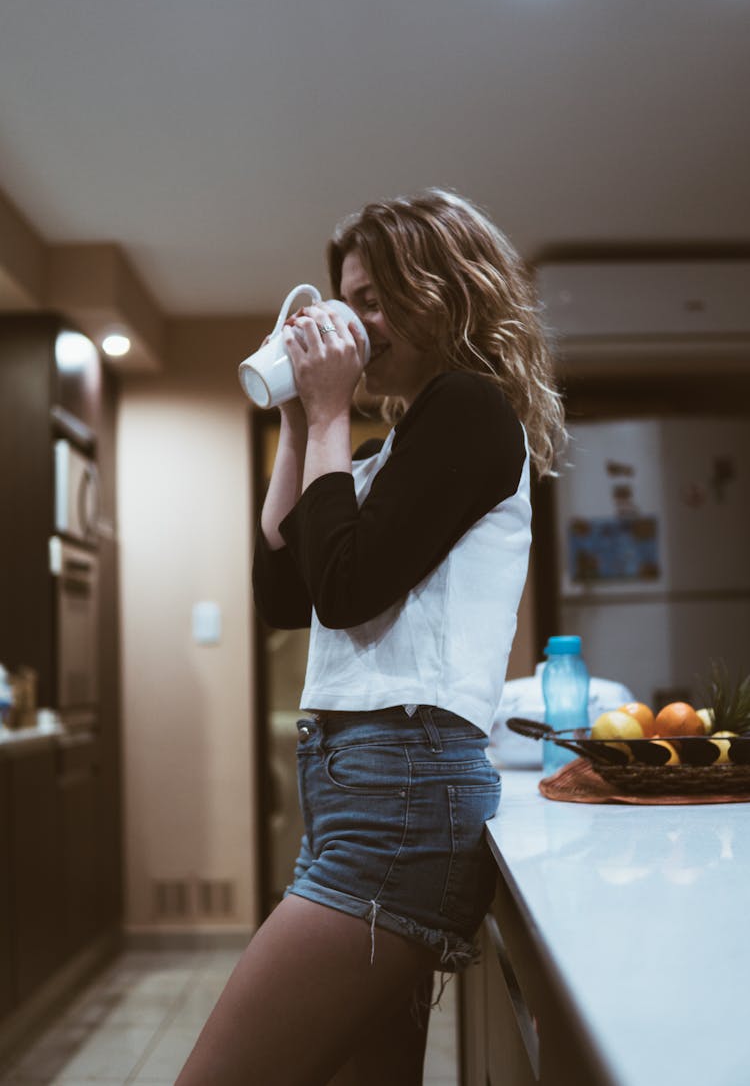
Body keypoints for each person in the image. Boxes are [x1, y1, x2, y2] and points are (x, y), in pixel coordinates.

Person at [176, 189, 566, 1086]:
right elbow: (285, 588)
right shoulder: (390, 450)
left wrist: (325, 416)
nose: (360, 321)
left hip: (400, 793)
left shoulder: (468, 410)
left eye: (380, 297)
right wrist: (294, 422)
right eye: (350, 300)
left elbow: (348, 591)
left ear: (447, 292)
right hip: (365, 796)